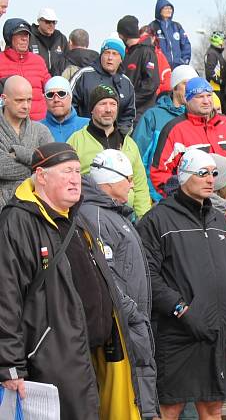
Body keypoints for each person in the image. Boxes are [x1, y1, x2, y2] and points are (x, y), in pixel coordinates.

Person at [0, 143, 142, 419]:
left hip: (93, 353)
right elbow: (6, 295)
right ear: (41, 176)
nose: (75, 178)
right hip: (51, 358)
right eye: (66, 171)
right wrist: (10, 365)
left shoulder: (77, 220)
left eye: (78, 171)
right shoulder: (17, 222)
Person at [139, 149, 226, 420]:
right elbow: (147, 275)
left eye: (213, 173)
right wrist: (181, 310)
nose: (211, 179)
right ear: (185, 175)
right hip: (177, 333)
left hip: (218, 332)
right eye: (202, 173)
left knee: (213, 409)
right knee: (170, 408)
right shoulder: (157, 219)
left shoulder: (217, 220)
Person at [81, 149, 159, 419]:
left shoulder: (113, 214)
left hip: (130, 324)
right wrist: (133, 315)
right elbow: (105, 274)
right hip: (121, 329)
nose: (132, 183)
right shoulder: (96, 216)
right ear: (110, 180)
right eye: (128, 178)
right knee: (123, 406)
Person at [150, 77, 226, 220]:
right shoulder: (174, 129)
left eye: (209, 95)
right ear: (187, 100)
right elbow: (159, 174)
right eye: (199, 97)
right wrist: (185, 200)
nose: (206, 101)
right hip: (194, 213)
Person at [68, 84, 151, 219]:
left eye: (113, 104)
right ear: (92, 109)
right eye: (102, 104)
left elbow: (140, 186)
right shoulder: (76, 141)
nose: (108, 109)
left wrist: (144, 220)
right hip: (90, 218)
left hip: (126, 217)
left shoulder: (129, 143)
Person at [132, 64, 198, 201]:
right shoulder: (153, 116)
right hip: (156, 195)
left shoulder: (198, 119)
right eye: (185, 84)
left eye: (193, 85)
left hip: (191, 195)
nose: (190, 89)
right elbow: (137, 157)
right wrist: (146, 193)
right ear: (174, 87)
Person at [0, 75, 54, 210]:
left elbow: (52, 167)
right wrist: (36, 168)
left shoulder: (41, 131)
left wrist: (21, 153)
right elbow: (2, 167)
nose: (26, 106)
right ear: (4, 99)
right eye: (19, 100)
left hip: (37, 207)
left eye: (29, 100)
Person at [71, 37, 136, 134]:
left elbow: (128, 115)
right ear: (101, 55)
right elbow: (69, 105)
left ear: (121, 59)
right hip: (84, 136)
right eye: (106, 53)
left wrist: (120, 137)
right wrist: (81, 132)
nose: (110, 57)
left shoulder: (126, 83)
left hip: (114, 141)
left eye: (115, 54)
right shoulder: (84, 75)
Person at [0, 18, 51, 120]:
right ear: (9, 38)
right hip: (9, 124)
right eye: (20, 35)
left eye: (26, 35)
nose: (25, 39)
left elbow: (51, 89)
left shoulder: (38, 61)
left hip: (38, 123)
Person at [118, 15, 160, 123]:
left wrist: (130, 100)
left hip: (141, 115)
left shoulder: (146, 52)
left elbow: (151, 84)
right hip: (125, 113)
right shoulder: (126, 53)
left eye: (119, 34)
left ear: (124, 34)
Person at [39, 75, 89, 141]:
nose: (56, 99)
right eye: (50, 95)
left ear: (70, 97)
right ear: (45, 99)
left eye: (61, 94)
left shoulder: (88, 125)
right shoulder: (37, 129)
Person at [149, 0, 191, 69]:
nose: (169, 10)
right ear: (159, 10)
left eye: (170, 8)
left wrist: (184, 61)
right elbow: (149, 47)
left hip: (178, 66)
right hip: (160, 67)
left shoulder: (177, 26)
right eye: (166, 8)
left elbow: (186, 44)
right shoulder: (153, 26)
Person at [29, 8, 68, 76]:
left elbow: (67, 60)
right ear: (39, 21)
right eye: (48, 21)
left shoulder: (61, 39)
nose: (51, 25)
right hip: (37, 79)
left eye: (54, 22)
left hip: (57, 82)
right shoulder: (30, 37)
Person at [205, 31, 226, 111]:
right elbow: (210, 72)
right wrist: (221, 81)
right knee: (219, 111)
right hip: (215, 88)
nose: (224, 43)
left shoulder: (217, 53)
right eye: (223, 41)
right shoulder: (212, 53)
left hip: (219, 88)